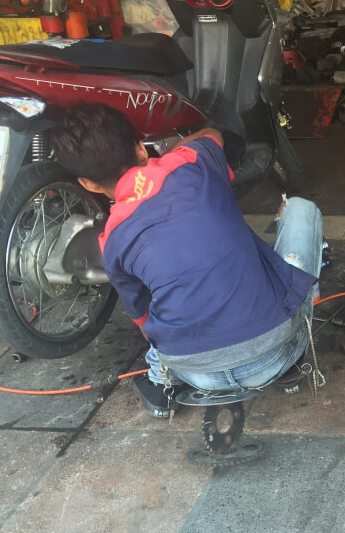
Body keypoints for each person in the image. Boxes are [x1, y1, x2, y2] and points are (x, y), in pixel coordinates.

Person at [50, 103, 324, 417]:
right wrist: (170, 152)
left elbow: (144, 326)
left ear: (88, 184)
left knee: (164, 295)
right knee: (301, 210)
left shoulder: (111, 238)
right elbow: (212, 133)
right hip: (274, 354)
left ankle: (158, 382)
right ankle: (294, 360)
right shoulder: (191, 162)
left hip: (193, 373)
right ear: (141, 149)